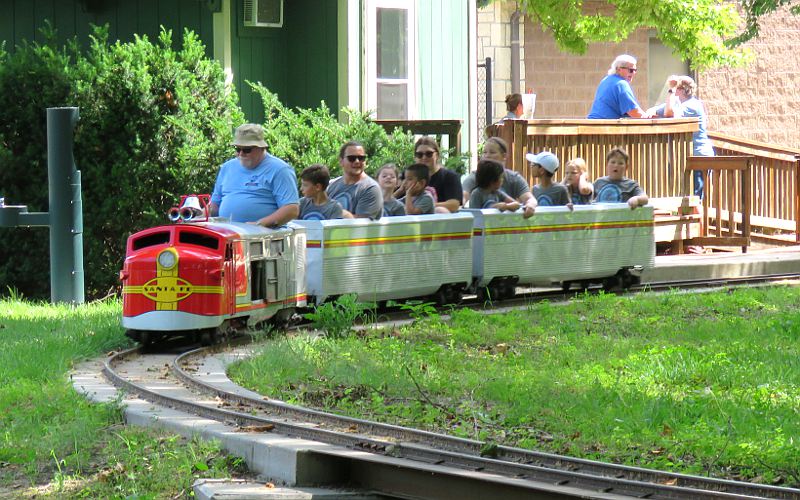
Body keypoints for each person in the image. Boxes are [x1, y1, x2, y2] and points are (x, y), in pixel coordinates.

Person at [210, 123, 299, 226]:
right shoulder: (227, 167)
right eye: (237, 149)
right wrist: (195, 215)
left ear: (261, 148)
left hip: (264, 237)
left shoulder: (280, 170)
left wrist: (259, 224)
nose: (241, 154)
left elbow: (291, 209)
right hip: (226, 234)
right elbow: (215, 205)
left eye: (247, 150)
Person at [647, 75, 714, 198]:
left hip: (698, 156)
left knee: (694, 196)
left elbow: (669, 113)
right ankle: (690, 216)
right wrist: (653, 112)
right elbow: (654, 110)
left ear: (682, 90)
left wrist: (670, 90)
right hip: (688, 157)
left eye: (675, 88)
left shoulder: (692, 105)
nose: (672, 91)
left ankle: (694, 217)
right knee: (686, 194)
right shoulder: (682, 103)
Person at [462, 137, 536, 218]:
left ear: (504, 156)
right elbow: (463, 197)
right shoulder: (474, 179)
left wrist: (530, 205)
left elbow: (529, 199)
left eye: (492, 152)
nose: (487, 156)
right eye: (484, 152)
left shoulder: (514, 178)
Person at [327, 141, 383, 219]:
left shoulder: (370, 188)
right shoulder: (331, 185)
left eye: (361, 158)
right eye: (352, 158)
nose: (357, 162)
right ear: (341, 161)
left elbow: (361, 224)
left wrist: (334, 210)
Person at [587, 55, 653, 119]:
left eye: (635, 70)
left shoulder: (606, 80)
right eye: (631, 70)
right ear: (618, 69)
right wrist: (648, 117)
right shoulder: (621, 84)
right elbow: (634, 112)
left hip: (593, 123)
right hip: (604, 126)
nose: (633, 73)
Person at [409, 136, 462, 213]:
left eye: (429, 154)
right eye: (419, 154)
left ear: (437, 155)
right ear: (415, 157)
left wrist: (424, 206)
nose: (424, 157)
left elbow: (454, 205)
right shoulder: (409, 178)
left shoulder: (449, 177)